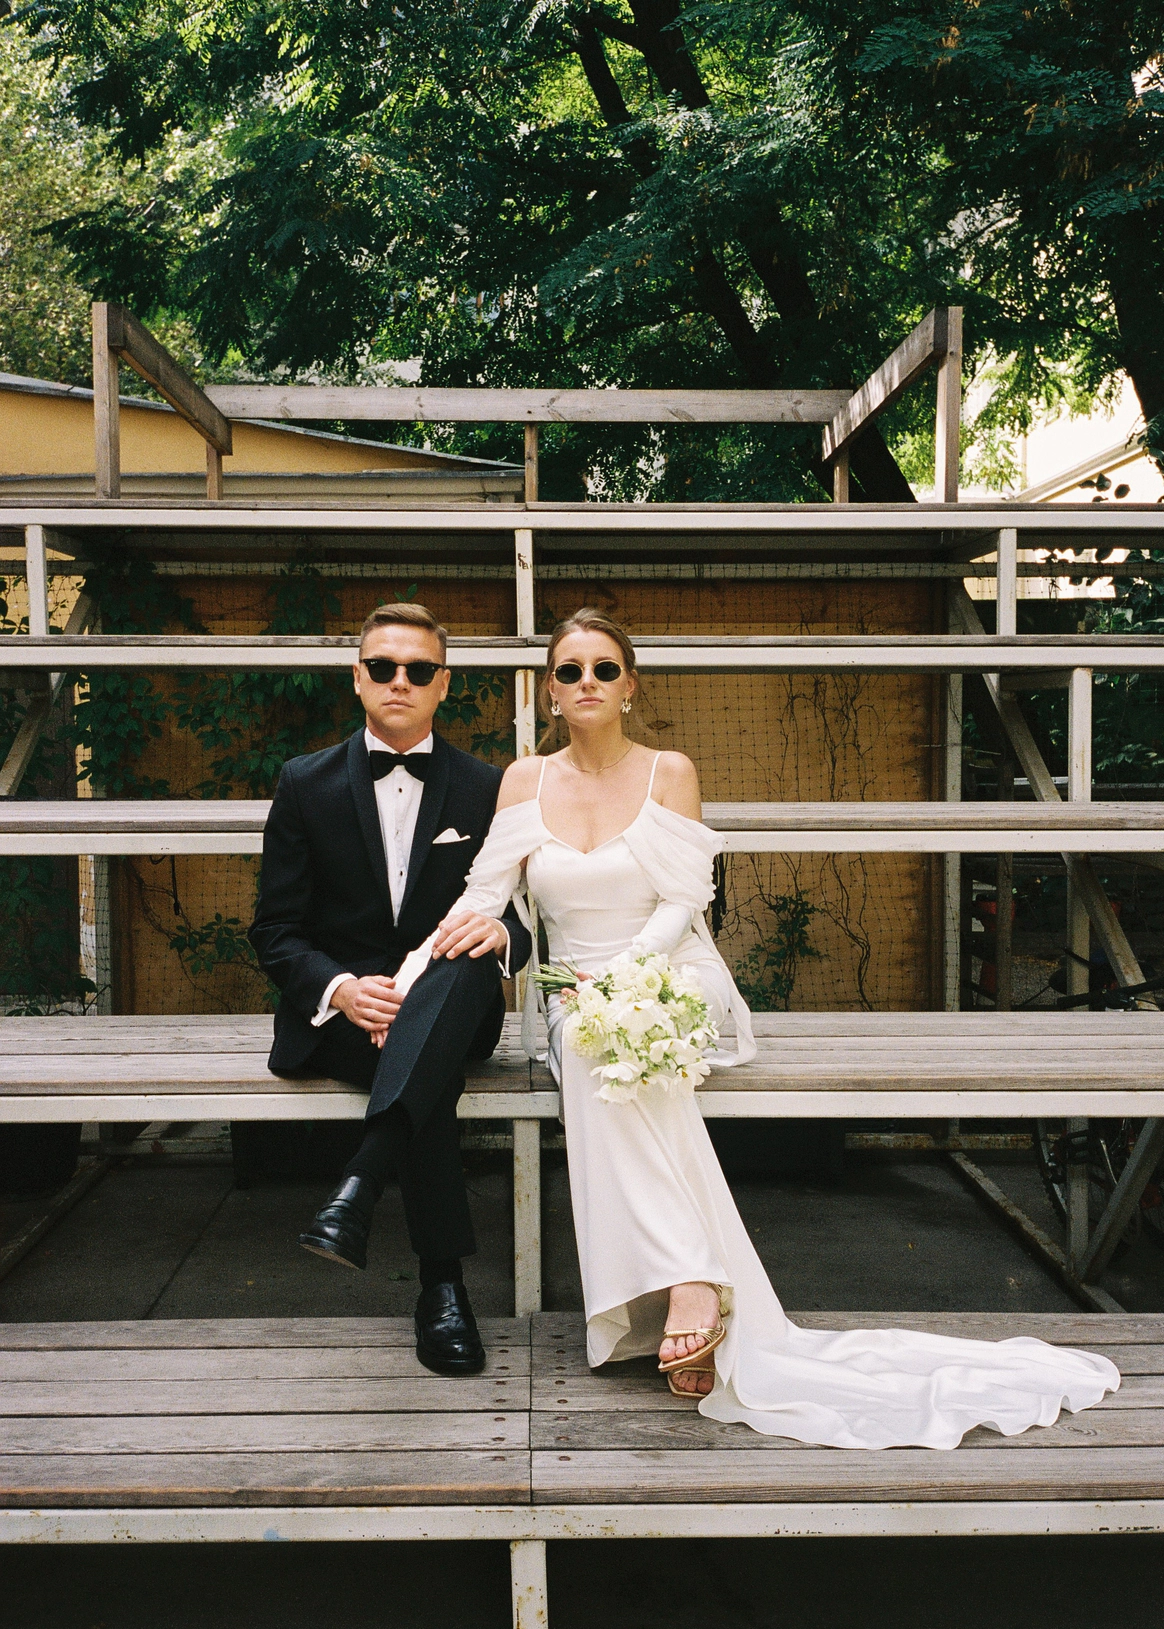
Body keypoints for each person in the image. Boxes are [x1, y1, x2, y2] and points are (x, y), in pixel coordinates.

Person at [432, 606, 1120, 1447]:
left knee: (608, 1035)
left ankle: (686, 1286)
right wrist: (427, 964)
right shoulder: (524, 782)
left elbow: (686, 899)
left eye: (604, 668)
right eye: (569, 670)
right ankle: (691, 1279)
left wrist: (624, 978)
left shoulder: (669, 771)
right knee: (588, 1038)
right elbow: (483, 894)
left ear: (630, 684)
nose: (587, 682)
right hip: (574, 987)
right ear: (549, 690)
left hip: (671, 968)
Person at [249, 601, 531, 1377]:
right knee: (424, 1066)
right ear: (357, 678)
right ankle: (443, 1284)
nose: (398, 680)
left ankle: (361, 1184)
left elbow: (522, 914)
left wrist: (502, 933)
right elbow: (275, 929)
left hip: (449, 1000)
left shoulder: (486, 786)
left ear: (443, 683)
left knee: (464, 958)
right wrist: (342, 989)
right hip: (343, 1018)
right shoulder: (304, 782)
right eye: (382, 666)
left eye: (417, 668)